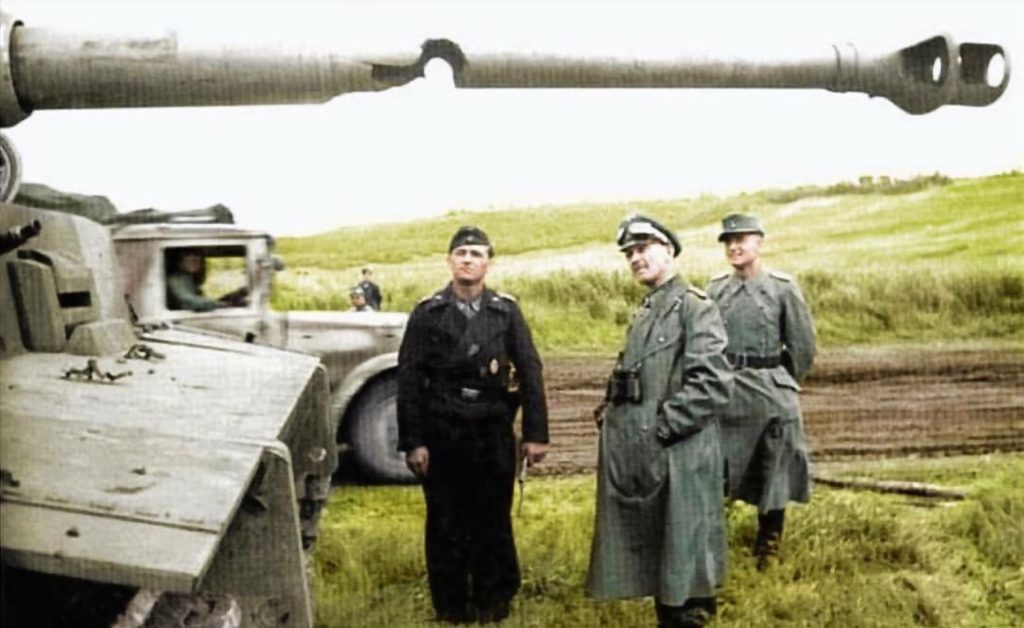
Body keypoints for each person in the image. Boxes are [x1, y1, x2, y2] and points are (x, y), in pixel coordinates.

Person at [397, 225, 549, 624]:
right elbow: (409, 378)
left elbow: (531, 370)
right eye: (461, 253)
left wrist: (535, 434)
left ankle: (494, 598)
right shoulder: (428, 313)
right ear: (449, 261)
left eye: (476, 254)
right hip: (442, 431)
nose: (468, 259)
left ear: (489, 263)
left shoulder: (506, 310)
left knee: (492, 516)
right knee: (445, 518)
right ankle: (451, 605)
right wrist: (414, 442)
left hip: (491, 430)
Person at [588, 214, 733, 628]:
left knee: (685, 551)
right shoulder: (648, 310)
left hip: (681, 454)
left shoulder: (694, 307)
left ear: (668, 250)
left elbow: (712, 384)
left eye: (644, 249)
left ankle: (688, 615)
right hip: (653, 453)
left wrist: (661, 428)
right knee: (666, 550)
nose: (636, 258)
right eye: (629, 253)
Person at [706, 213, 816, 571]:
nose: (734, 246)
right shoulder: (715, 289)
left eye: (742, 239)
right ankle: (709, 538)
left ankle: (769, 541)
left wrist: (781, 382)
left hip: (770, 387)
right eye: (728, 241)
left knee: (775, 464)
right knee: (714, 466)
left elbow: (802, 346)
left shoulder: (782, 288)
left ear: (759, 243)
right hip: (726, 390)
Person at [166, 250, 233, 312]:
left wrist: (226, 300)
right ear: (179, 261)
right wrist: (218, 304)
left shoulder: (189, 279)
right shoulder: (176, 278)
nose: (194, 259)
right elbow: (188, 300)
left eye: (197, 255)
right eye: (188, 255)